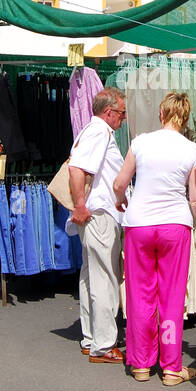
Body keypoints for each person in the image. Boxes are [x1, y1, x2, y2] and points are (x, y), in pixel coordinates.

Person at [113, 93, 196, 385]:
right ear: (186, 118)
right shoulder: (193, 151)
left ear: (162, 114)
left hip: (139, 224)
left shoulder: (140, 142)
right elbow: (194, 197)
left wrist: (120, 201)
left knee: (140, 294)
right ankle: (171, 367)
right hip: (174, 226)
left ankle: (140, 364)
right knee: (171, 296)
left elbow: (120, 183)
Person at [69, 87, 127, 364]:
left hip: (96, 213)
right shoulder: (99, 132)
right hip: (100, 214)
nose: (124, 118)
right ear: (109, 112)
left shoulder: (93, 131)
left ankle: (92, 338)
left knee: (92, 276)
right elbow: (77, 168)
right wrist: (80, 204)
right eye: (122, 113)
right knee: (104, 277)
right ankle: (103, 344)